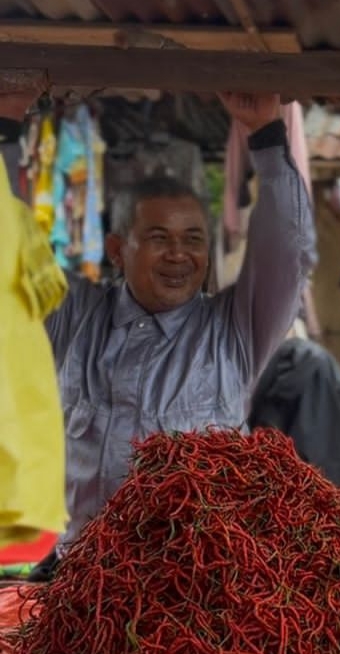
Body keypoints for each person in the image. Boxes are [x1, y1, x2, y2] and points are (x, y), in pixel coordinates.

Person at [0, 87, 317, 575]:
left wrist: (268, 136)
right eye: (157, 238)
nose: (178, 254)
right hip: (80, 576)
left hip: (194, 586)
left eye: (193, 239)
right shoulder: (73, 315)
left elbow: (289, 252)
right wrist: (5, 128)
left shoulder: (235, 329)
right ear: (115, 249)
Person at [248, 337, 340, 487]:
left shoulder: (287, 362)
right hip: (329, 477)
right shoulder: (325, 363)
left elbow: (266, 426)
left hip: (296, 477)